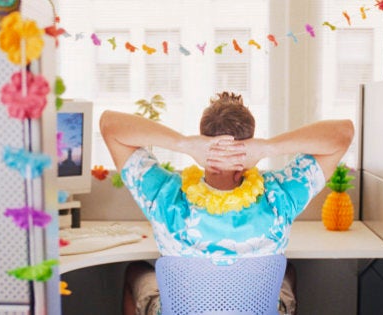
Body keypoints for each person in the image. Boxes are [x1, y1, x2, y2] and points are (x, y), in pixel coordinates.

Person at [100, 92, 354, 315]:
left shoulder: (165, 195)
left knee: (135, 271)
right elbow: (343, 132)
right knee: (289, 273)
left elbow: (109, 124)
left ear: (203, 142)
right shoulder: (279, 195)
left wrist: (185, 144)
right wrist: (266, 148)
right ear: (250, 142)